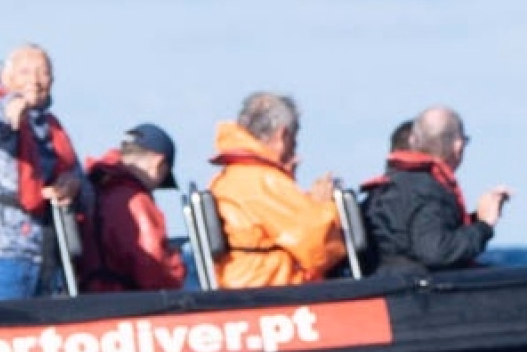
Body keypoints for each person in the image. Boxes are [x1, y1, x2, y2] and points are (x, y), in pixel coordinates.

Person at [0, 44, 85, 302]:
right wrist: (12, 107)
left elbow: (82, 182)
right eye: (25, 72)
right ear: (6, 78)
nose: (34, 81)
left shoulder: (51, 129)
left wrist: (72, 185)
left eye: (43, 73)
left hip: (43, 258)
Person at [205, 91, 345, 289]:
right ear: (283, 135)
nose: (295, 152)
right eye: (294, 142)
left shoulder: (227, 178)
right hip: (273, 292)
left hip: (241, 286)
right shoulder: (263, 181)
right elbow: (319, 251)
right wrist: (326, 206)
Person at [360, 105, 510, 275]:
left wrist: (477, 219)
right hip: (413, 292)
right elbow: (437, 252)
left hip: (387, 282)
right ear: (458, 146)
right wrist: (484, 226)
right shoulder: (428, 191)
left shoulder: (388, 186)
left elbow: (417, 234)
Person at [81, 124, 186, 293]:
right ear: (159, 165)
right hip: (124, 304)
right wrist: (174, 261)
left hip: (92, 300)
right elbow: (152, 272)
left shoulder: (96, 188)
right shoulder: (136, 200)